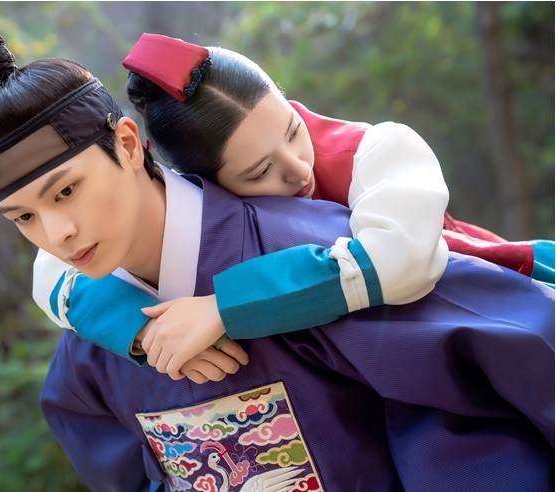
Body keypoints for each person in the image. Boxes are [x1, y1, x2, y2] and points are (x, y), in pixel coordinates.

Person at [0, 28, 554, 491]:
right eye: (24, 218)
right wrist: (129, 328)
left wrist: (228, 306)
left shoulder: (319, 239)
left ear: (128, 144)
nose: (58, 234)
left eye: (67, 190)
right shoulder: (92, 327)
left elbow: (484, 365)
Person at [32, 33, 555, 378]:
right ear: (207, 183)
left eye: (292, 130)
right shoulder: (201, 210)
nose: (299, 169)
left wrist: (223, 307)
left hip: (510, 311)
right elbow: (50, 268)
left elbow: (402, 262)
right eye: (259, 172)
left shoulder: (378, 150)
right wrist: (143, 328)